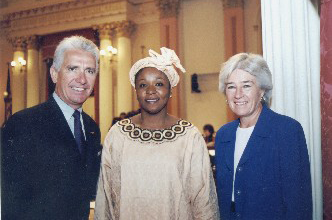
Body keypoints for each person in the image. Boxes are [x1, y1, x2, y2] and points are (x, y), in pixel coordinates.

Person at [94, 47, 219, 219]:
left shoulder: (189, 136)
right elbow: (106, 196)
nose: (150, 90)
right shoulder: (118, 134)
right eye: (143, 85)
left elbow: (203, 199)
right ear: (136, 91)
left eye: (159, 83)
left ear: (170, 90)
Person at [2, 36, 102, 220]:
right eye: (73, 69)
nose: (82, 79)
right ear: (54, 74)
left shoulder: (91, 128)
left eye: (90, 71)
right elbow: (9, 200)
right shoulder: (23, 123)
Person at [215, 53, 312, 219]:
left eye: (246, 86)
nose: (238, 94)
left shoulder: (286, 130)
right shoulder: (223, 135)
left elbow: (298, 203)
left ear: (262, 91)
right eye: (231, 86)